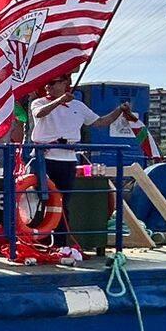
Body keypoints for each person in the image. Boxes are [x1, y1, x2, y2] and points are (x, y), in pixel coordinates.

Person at [26, 79, 130, 234]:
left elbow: (100, 122)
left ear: (64, 84)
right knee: (42, 198)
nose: (47, 85)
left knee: (63, 202)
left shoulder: (78, 106)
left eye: (53, 82)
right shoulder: (39, 102)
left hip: (67, 158)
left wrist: (119, 110)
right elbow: (39, 113)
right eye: (47, 83)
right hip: (44, 157)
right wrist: (60, 100)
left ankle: (61, 241)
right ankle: (38, 234)